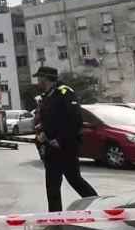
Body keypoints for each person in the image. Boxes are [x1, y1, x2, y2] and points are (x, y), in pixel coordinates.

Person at [35, 66, 97, 212]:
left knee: (75, 180)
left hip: (66, 146)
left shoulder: (65, 92)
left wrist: (60, 139)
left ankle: (97, 207)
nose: (38, 81)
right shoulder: (47, 95)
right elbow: (47, 119)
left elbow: (75, 120)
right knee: (52, 185)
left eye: (39, 78)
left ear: (45, 78)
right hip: (51, 147)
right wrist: (42, 132)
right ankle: (55, 219)